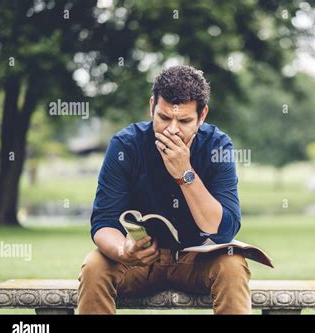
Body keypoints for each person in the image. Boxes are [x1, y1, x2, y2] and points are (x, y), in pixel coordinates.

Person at [77, 65, 251, 314]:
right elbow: (103, 221)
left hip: (196, 261)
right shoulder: (126, 145)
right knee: (95, 265)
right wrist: (123, 251)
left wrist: (185, 173)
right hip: (139, 263)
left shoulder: (218, 146)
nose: (172, 129)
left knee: (233, 264)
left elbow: (224, 230)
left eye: (184, 120)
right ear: (151, 108)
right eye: (164, 117)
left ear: (202, 116)